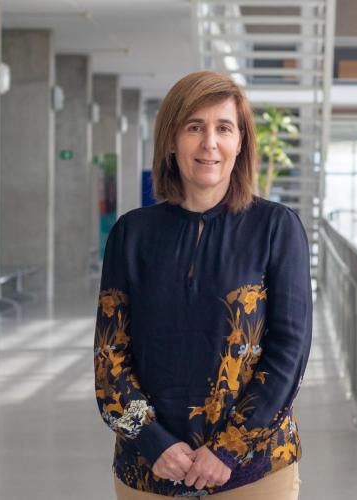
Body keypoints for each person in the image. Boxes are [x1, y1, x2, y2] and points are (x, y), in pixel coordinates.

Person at [94, 70, 312, 499]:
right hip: (148, 469)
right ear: (171, 141)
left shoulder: (277, 228)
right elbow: (109, 357)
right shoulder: (131, 234)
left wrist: (227, 450)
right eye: (194, 127)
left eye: (224, 128)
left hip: (253, 472)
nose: (210, 143)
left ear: (241, 142)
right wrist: (153, 441)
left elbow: (290, 353)